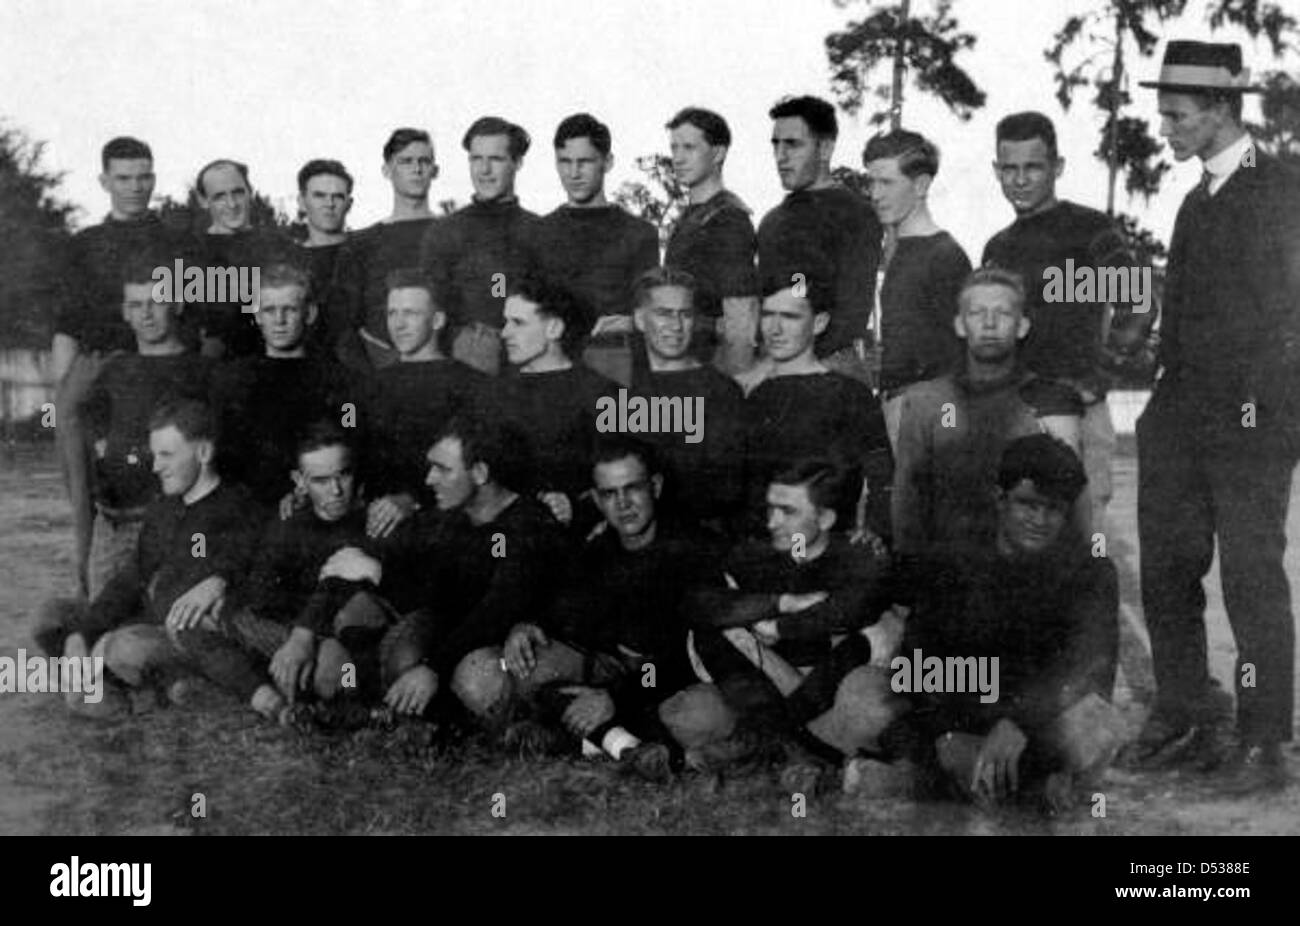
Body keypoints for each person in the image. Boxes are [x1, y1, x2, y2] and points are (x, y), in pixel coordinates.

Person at [1126, 41, 1300, 793]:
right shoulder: (1196, 198)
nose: (1165, 128)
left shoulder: (1282, 189)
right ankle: (1186, 712)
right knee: (1167, 569)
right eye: (1163, 113)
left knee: (1251, 574)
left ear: (1224, 109)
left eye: (1178, 114)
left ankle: (1264, 736)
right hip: (1180, 420)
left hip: (1253, 419)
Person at [878, 434, 1121, 811]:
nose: (1039, 521)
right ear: (1000, 498)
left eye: (1053, 510)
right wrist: (946, 734)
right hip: (965, 708)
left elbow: (1091, 669)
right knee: (878, 704)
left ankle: (957, 782)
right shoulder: (956, 560)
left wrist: (1019, 724)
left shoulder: (1091, 572)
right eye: (1028, 505)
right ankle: (1025, 789)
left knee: (1097, 724)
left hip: (1039, 719)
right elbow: (915, 660)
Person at [457, 437, 725, 778]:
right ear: (596, 498)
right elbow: (558, 608)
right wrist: (525, 626)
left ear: (655, 486)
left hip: (669, 682)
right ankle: (622, 745)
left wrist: (615, 698)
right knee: (479, 673)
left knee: (702, 716)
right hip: (609, 672)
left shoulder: (691, 548)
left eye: (633, 489)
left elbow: (683, 658)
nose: (623, 504)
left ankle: (578, 739)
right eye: (610, 494)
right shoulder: (597, 548)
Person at [32, 399, 276, 719]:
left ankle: (161, 689)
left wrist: (220, 581)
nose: (155, 466)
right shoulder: (164, 508)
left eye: (166, 455)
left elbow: (252, 564)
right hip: (148, 619)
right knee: (50, 617)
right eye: (154, 454)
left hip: (190, 637)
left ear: (203, 453)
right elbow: (132, 578)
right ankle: (112, 675)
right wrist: (84, 633)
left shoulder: (239, 507)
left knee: (124, 648)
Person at [982, 111, 1154, 529]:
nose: (1020, 180)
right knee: (1016, 544)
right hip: (1016, 413)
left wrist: (1103, 375)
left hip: (1079, 411)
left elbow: (1139, 302)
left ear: (1057, 167)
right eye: (1009, 168)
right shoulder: (997, 248)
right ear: (996, 171)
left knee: (1083, 535)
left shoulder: (1089, 229)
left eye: (1033, 167)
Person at [684, 458, 900, 791]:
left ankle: (769, 740)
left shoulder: (858, 553)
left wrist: (781, 627)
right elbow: (701, 603)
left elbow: (853, 609)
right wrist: (781, 604)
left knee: (878, 634)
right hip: (770, 683)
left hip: (834, 683)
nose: (773, 522)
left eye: (788, 512)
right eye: (770, 509)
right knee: (714, 628)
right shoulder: (754, 555)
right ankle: (796, 746)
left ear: (826, 517)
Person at [52, 136, 196, 597]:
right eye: (124, 178)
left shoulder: (176, 241)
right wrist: (66, 392)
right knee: (85, 475)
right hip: (98, 366)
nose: (135, 187)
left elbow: (195, 316)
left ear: (153, 178)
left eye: (143, 177)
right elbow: (67, 325)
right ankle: (83, 569)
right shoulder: (84, 244)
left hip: (156, 365)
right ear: (104, 181)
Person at [367, 417, 568, 719]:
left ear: (480, 472)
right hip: (464, 633)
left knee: (474, 677)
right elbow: (428, 596)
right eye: (430, 466)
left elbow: (498, 608)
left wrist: (433, 668)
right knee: (403, 653)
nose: (429, 479)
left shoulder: (528, 523)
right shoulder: (455, 515)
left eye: (443, 469)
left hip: (510, 644)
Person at [892, 267, 1084, 561]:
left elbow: (1072, 503)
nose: (990, 324)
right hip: (947, 570)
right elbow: (908, 499)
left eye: (1003, 313)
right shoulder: (926, 401)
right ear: (959, 324)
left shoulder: (1048, 401)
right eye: (977, 313)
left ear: (1022, 326)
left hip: (1024, 572)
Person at [221, 425, 400, 712]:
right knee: (239, 619)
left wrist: (309, 635)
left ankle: (346, 700)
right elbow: (261, 592)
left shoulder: (375, 520)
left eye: (344, 474)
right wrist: (306, 635)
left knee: (338, 666)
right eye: (321, 480)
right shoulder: (288, 524)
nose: (336, 490)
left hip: (355, 630)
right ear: (299, 481)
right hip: (302, 629)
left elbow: (353, 590)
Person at [80, 258, 215, 599]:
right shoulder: (114, 368)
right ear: (125, 312)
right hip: (113, 524)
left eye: (157, 302)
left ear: (177, 305)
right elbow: (90, 416)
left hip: (170, 526)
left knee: (151, 632)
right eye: (136, 305)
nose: (147, 314)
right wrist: (103, 447)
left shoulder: (201, 371)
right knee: (101, 620)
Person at [741, 262, 892, 543]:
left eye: (789, 316)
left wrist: (873, 529)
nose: (775, 328)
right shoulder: (753, 399)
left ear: (819, 323)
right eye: (768, 315)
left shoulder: (851, 396)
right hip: (766, 553)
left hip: (833, 551)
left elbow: (883, 476)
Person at [756, 95, 882, 385]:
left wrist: (798, 362)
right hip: (773, 369)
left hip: (831, 369)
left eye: (793, 144)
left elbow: (851, 312)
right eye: (776, 144)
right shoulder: (772, 221)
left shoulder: (854, 214)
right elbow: (772, 296)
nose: (780, 156)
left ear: (825, 148)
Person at [528, 113, 659, 387]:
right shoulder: (537, 232)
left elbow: (650, 308)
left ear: (607, 163)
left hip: (611, 362)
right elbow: (505, 287)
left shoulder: (639, 233)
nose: (574, 173)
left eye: (584, 162)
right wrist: (494, 290)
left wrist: (631, 322)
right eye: (565, 162)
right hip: (551, 363)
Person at [209, 262, 351, 510]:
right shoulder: (233, 379)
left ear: (310, 314)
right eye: (270, 310)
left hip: (318, 506)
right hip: (249, 510)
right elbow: (223, 459)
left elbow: (348, 446)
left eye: (290, 309)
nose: (280, 320)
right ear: (257, 316)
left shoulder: (337, 380)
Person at [862, 129, 971, 449]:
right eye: (872, 182)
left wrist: (949, 426)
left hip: (932, 410)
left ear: (921, 185)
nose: (875, 194)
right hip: (897, 405)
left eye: (887, 183)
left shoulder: (944, 255)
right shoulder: (901, 249)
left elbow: (962, 356)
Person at [361, 268, 488, 534]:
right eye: (392, 313)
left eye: (411, 314)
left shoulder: (471, 384)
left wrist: (412, 500)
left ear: (438, 320)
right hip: (374, 518)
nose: (398, 324)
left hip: (442, 521)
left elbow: (470, 471)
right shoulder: (368, 384)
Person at [488, 276, 618, 528]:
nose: (504, 333)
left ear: (554, 329)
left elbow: (625, 472)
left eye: (518, 323)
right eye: (505, 322)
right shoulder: (493, 391)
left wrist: (578, 507)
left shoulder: (601, 393)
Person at [420, 116, 540, 375]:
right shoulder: (445, 231)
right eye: (476, 159)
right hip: (463, 365)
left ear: (517, 163)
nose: (484, 170)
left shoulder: (541, 231)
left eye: (495, 160)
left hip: (528, 367)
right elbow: (429, 314)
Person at [629, 267, 746, 528]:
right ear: (639, 319)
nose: (676, 326)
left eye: (685, 314)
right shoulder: (618, 389)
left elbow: (727, 490)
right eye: (663, 314)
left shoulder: (721, 392)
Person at [662, 107, 759, 373]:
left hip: (714, 370)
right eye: (674, 148)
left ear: (718, 153)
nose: (678, 158)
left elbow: (741, 315)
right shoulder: (691, 217)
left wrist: (737, 386)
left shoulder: (727, 219)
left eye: (689, 148)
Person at [334, 128, 440, 369]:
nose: (416, 169)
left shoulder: (455, 235)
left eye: (424, 161)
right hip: (379, 368)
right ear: (387, 171)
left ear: (435, 170)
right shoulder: (360, 243)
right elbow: (344, 326)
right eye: (406, 161)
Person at [192, 158, 295, 359]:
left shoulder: (280, 247)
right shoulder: (189, 253)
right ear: (203, 201)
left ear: (250, 191)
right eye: (219, 196)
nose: (232, 204)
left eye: (238, 192)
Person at [294, 159, 356, 361]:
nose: (329, 204)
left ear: (349, 204)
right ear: (302, 202)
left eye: (337, 197)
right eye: (319, 196)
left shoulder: (363, 254)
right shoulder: (287, 260)